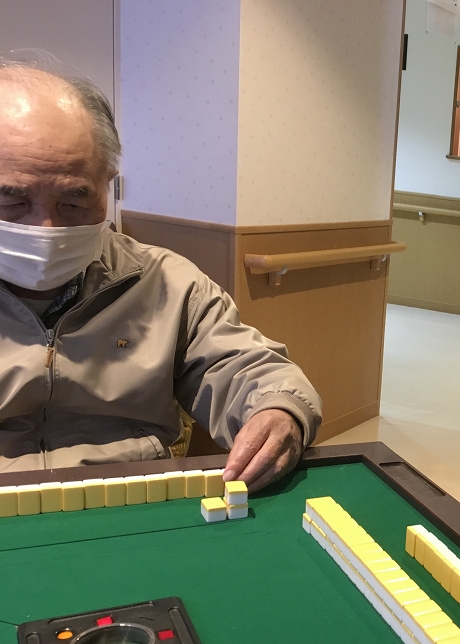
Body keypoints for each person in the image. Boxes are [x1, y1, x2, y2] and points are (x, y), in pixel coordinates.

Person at [0, 58, 322, 490]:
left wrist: (279, 409)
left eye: (73, 202)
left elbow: (238, 364)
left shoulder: (167, 282)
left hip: (135, 493)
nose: (47, 228)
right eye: (11, 200)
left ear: (108, 183)